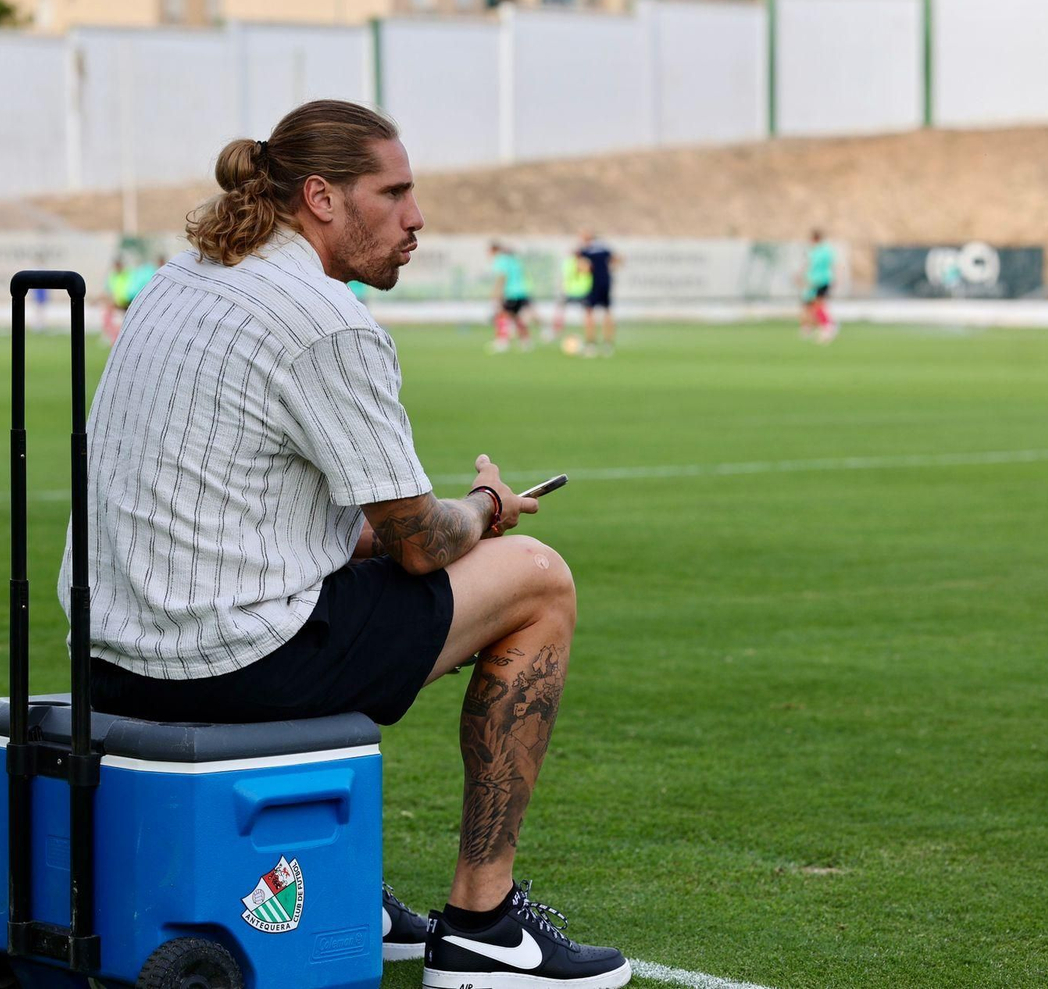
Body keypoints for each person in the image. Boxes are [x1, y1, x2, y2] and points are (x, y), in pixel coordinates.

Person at [59, 100, 630, 989]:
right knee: (536, 582)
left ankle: (332, 885)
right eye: (393, 192)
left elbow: (291, 516)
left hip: (106, 658)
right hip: (234, 664)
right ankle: (483, 922)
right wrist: (486, 503)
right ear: (320, 198)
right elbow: (418, 544)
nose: (416, 217)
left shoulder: (184, 276)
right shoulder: (327, 320)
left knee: (360, 579)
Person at [488, 242, 536, 352]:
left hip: (511, 293)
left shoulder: (500, 260)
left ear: (494, 251)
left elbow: (502, 277)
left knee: (502, 315)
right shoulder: (514, 260)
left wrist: (496, 292)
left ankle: (503, 341)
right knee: (516, 317)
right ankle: (526, 341)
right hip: (521, 292)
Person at [577, 229, 618, 356]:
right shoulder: (605, 249)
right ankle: (608, 345)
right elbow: (617, 260)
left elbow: (583, 268)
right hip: (606, 283)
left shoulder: (584, 251)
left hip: (592, 285)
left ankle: (590, 345)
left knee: (589, 313)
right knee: (607, 312)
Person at [802, 229, 838, 343]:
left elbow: (811, 266)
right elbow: (832, 265)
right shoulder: (827, 250)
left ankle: (828, 326)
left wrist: (806, 278)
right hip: (825, 280)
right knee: (816, 305)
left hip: (818, 281)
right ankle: (825, 326)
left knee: (817, 305)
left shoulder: (816, 251)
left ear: (814, 239)